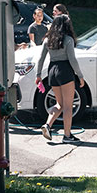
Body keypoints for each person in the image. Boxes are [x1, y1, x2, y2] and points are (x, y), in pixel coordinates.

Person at [35, 15, 85, 143]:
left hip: (52, 71)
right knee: (68, 106)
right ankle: (67, 136)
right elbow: (72, 60)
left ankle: (47, 124)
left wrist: (38, 75)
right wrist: (80, 75)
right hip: (65, 70)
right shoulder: (68, 39)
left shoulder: (48, 40)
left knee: (60, 104)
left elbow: (40, 59)